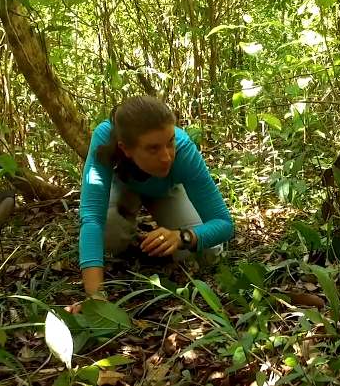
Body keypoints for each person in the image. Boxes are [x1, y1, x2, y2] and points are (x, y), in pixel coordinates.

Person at [67, 96, 234, 313]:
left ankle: (152, 243)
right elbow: (92, 217)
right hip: (123, 188)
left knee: (207, 253)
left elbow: (224, 223)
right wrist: (95, 296)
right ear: (125, 148)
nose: (167, 157)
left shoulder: (184, 150)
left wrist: (182, 237)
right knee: (110, 233)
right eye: (153, 149)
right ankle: (131, 242)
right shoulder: (105, 138)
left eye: (170, 142)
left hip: (164, 191)